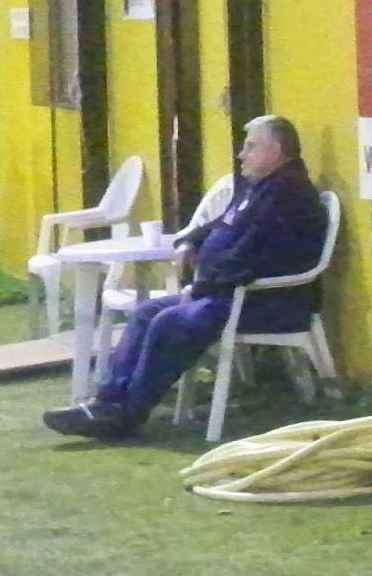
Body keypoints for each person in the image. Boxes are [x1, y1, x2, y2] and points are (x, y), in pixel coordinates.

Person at [42, 115, 328, 441]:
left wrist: (202, 285)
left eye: (250, 147)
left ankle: (127, 413)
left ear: (274, 152)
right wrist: (190, 241)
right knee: (145, 313)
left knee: (170, 322)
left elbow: (257, 259)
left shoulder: (288, 196)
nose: (241, 155)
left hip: (265, 302)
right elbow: (219, 226)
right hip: (224, 294)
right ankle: (105, 403)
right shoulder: (257, 189)